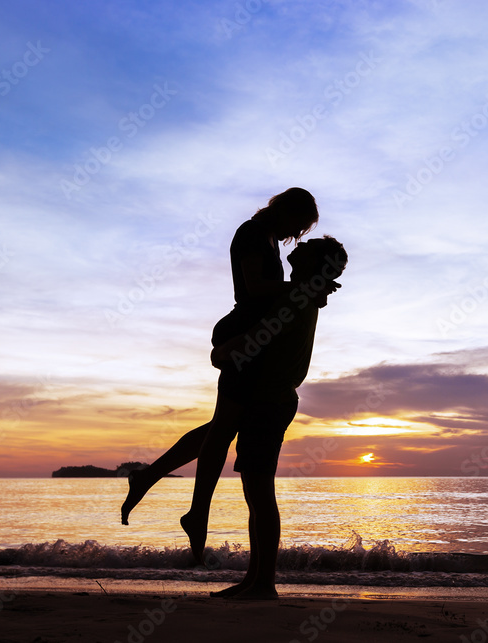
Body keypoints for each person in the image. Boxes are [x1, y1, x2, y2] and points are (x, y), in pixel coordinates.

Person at [120, 188, 337, 529]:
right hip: (243, 335)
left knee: (222, 426)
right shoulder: (253, 233)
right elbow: (255, 288)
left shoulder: (267, 237)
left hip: (251, 339)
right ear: (285, 211)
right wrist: (305, 289)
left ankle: (154, 482)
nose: (295, 237)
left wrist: (306, 292)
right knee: (222, 429)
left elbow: (272, 293)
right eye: (298, 226)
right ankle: (195, 512)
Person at [208, 236, 348, 600]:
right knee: (255, 495)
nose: (297, 247)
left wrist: (219, 352)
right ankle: (255, 580)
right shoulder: (302, 294)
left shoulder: (295, 298)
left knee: (260, 494)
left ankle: (264, 583)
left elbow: (254, 342)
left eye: (307, 247)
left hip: (269, 402)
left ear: (312, 264)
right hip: (269, 401)